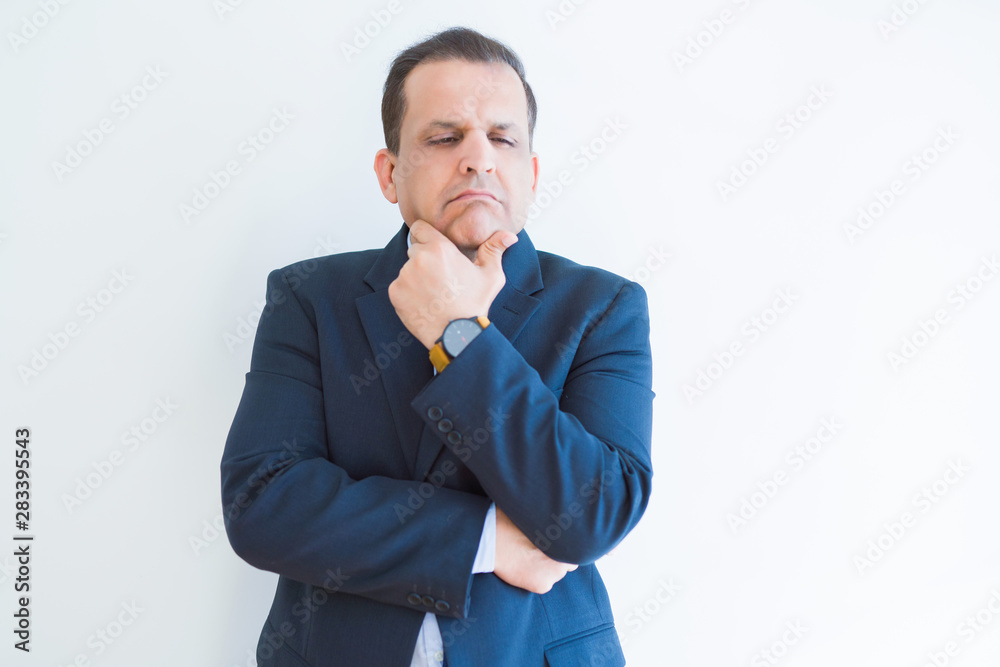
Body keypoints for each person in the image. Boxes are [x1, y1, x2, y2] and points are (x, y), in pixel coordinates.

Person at [220, 26, 654, 667]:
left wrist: (459, 333)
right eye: (445, 137)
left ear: (531, 174)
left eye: (503, 138)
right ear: (390, 173)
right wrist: (486, 539)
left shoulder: (603, 307)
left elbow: (594, 510)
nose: (479, 158)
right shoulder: (307, 298)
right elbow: (263, 502)